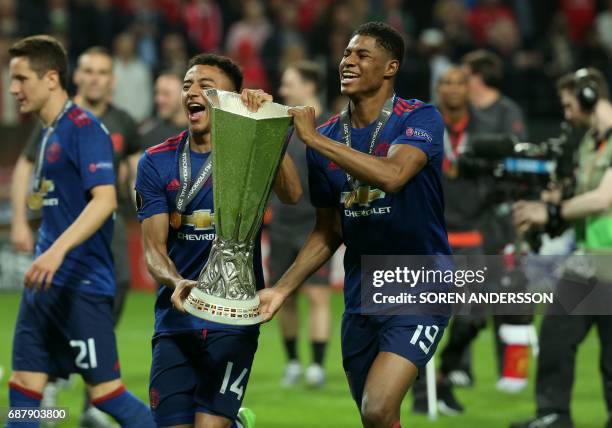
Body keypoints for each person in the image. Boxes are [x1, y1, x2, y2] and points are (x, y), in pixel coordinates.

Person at [258, 22, 451, 427]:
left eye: (362, 54)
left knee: (377, 407)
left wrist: (314, 141)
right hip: (361, 295)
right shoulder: (327, 134)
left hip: (420, 286)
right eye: (346, 53)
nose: (347, 61)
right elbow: (328, 232)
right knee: (376, 419)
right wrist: (280, 290)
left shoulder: (419, 117)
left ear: (390, 67)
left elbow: (394, 174)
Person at [136, 53, 302, 428]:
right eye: (187, 85)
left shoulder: (249, 151)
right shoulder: (155, 161)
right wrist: (175, 281)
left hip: (235, 314)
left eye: (206, 87)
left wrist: (266, 126)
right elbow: (154, 249)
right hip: (177, 316)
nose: (192, 92)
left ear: (233, 97)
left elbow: (292, 194)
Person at [6, 35, 153, 427]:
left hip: (81, 285)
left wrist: (55, 251)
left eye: (21, 79)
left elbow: (104, 201)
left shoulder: (85, 129)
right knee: (23, 387)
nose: (12, 89)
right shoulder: (49, 133)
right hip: (45, 286)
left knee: (107, 395)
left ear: (51, 78)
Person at [510, 67, 612, 428]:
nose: (567, 114)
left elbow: (604, 198)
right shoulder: (589, 142)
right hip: (588, 260)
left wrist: (551, 210)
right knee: (555, 334)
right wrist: (556, 199)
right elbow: (583, 195)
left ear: (588, 98)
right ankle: (553, 415)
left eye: (570, 105)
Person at [270, 61, 332, 388]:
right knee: (285, 296)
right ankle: (293, 361)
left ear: (308, 86)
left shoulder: (331, 127)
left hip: (316, 222)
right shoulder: (281, 124)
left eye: (288, 82)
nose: (282, 90)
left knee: (318, 296)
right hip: (281, 222)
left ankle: (317, 366)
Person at [140, 71, 189, 150]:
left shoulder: (204, 131)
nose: (159, 99)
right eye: (157, 93)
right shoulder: (150, 136)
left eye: (166, 94)